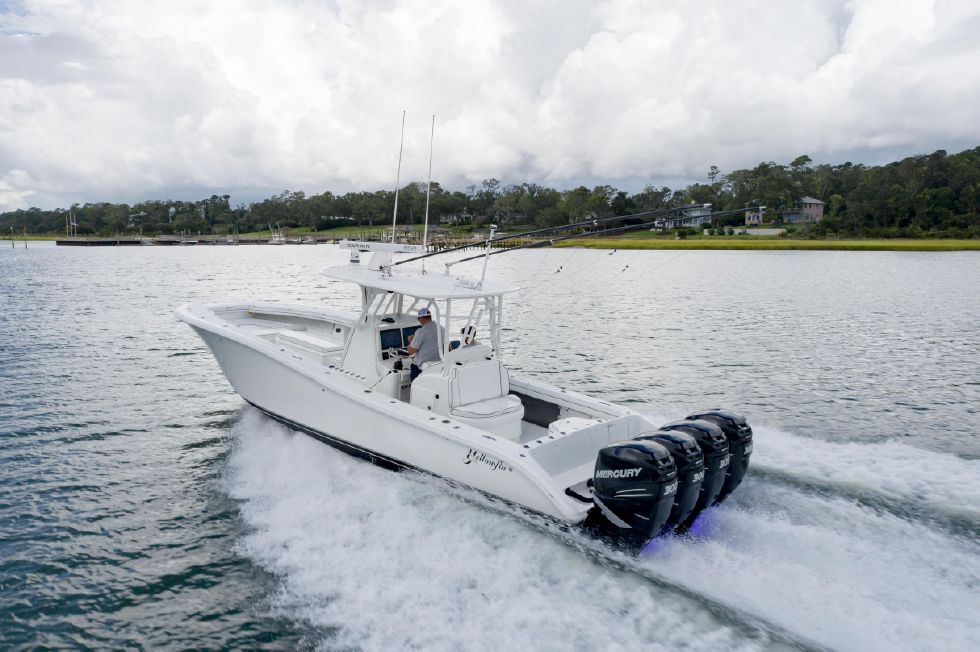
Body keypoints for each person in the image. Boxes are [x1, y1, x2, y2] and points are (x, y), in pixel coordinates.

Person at [406, 308, 443, 380]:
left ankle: (414, 387)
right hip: (438, 365)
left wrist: (411, 340)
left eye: (419, 319)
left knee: (413, 367)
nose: (419, 321)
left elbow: (411, 351)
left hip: (422, 367)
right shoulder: (442, 328)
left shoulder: (421, 331)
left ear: (422, 318)